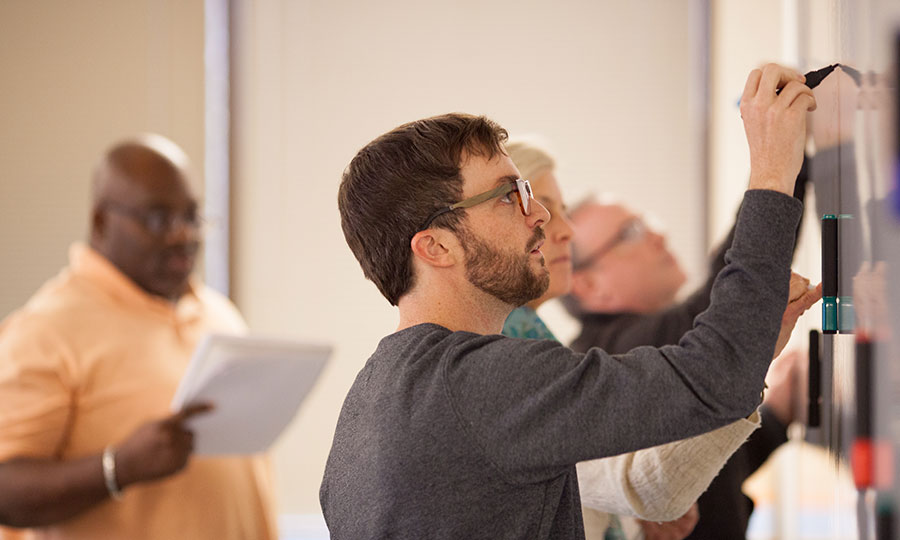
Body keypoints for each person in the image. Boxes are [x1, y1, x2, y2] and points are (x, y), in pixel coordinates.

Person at [321, 63, 819, 539]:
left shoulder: (368, 402)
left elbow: (672, 458)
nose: (537, 214)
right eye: (506, 196)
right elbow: (715, 378)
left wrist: (751, 350)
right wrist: (774, 173)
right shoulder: (479, 381)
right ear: (437, 246)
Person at [501, 139, 816, 540]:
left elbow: (689, 472)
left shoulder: (544, 354)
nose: (565, 231)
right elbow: (728, 301)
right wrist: (782, 164)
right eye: (631, 233)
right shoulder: (586, 355)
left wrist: (775, 413)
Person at [0, 134, 276, 540]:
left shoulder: (218, 313)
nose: (183, 235)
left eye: (192, 216)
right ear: (100, 221)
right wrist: (118, 468)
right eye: (159, 219)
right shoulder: (46, 328)